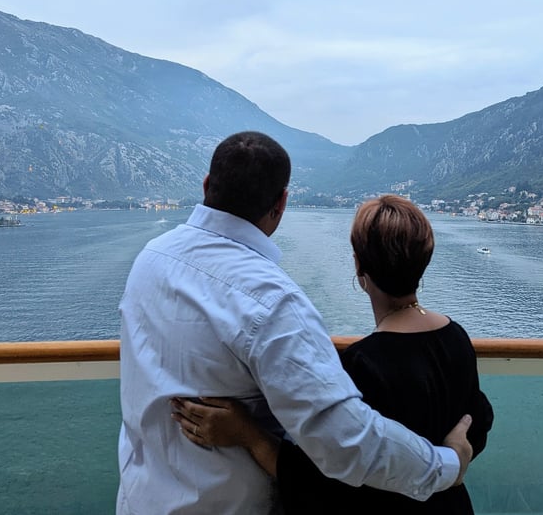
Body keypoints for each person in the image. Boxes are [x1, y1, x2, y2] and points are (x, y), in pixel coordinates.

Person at [117, 132, 473, 515]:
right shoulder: (270, 301)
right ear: (281, 204)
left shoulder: (149, 260)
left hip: (141, 500)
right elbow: (347, 441)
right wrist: (446, 465)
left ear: (207, 185)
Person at [173, 193, 493, 514]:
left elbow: (323, 482)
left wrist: (248, 435)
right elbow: (476, 423)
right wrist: (452, 459)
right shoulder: (457, 337)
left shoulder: (361, 363)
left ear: (358, 266)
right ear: (425, 257)